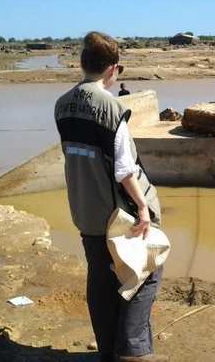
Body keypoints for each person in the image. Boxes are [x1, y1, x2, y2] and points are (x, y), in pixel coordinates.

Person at [54, 31, 167, 362]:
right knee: (145, 273)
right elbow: (123, 170)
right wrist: (144, 208)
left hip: (85, 213)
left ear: (82, 63)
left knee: (101, 280)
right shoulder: (111, 107)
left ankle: (107, 351)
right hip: (118, 216)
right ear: (113, 69)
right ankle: (132, 351)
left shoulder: (62, 105)